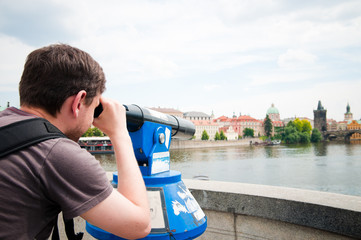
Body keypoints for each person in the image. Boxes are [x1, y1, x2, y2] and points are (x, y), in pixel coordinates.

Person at [0, 44, 151, 239]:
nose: (92, 122)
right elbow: (138, 225)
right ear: (79, 102)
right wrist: (120, 132)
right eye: (94, 108)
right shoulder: (57, 153)